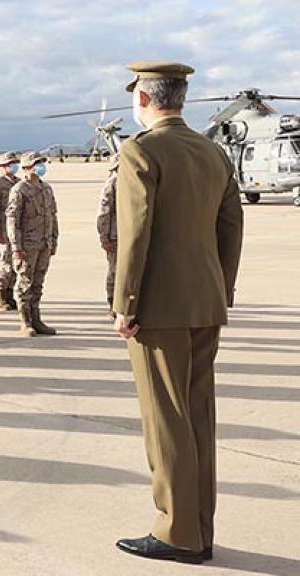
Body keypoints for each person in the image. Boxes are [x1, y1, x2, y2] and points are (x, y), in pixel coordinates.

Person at [113, 61, 243, 565]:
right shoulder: (213, 152)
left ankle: (176, 533)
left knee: (166, 421)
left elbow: (136, 233)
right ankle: (199, 530)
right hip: (205, 302)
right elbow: (231, 226)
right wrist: (220, 290)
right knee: (197, 419)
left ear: (144, 99)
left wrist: (125, 304)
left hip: (159, 307)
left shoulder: (142, 150)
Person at [6, 151, 59, 337]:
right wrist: (16, 247)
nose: (41, 166)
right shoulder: (20, 190)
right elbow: (12, 220)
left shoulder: (46, 189)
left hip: (44, 243)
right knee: (24, 283)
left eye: (42, 163)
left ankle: (37, 319)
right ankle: (25, 321)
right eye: (37, 163)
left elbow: (52, 216)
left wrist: (54, 240)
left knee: (38, 283)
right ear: (27, 168)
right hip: (27, 246)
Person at [0, 152, 21, 311]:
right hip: (4, 230)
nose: (14, 166)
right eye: (10, 164)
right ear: (3, 167)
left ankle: (10, 293)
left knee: (16, 265)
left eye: (15, 163)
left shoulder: (19, 183)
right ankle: (2, 295)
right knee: (6, 265)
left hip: (17, 231)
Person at [97, 158, 119, 319]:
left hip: (129, 236)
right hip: (115, 237)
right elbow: (104, 213)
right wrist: (104, 238)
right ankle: (112, 304)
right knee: (114, 272)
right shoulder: (112, 183)